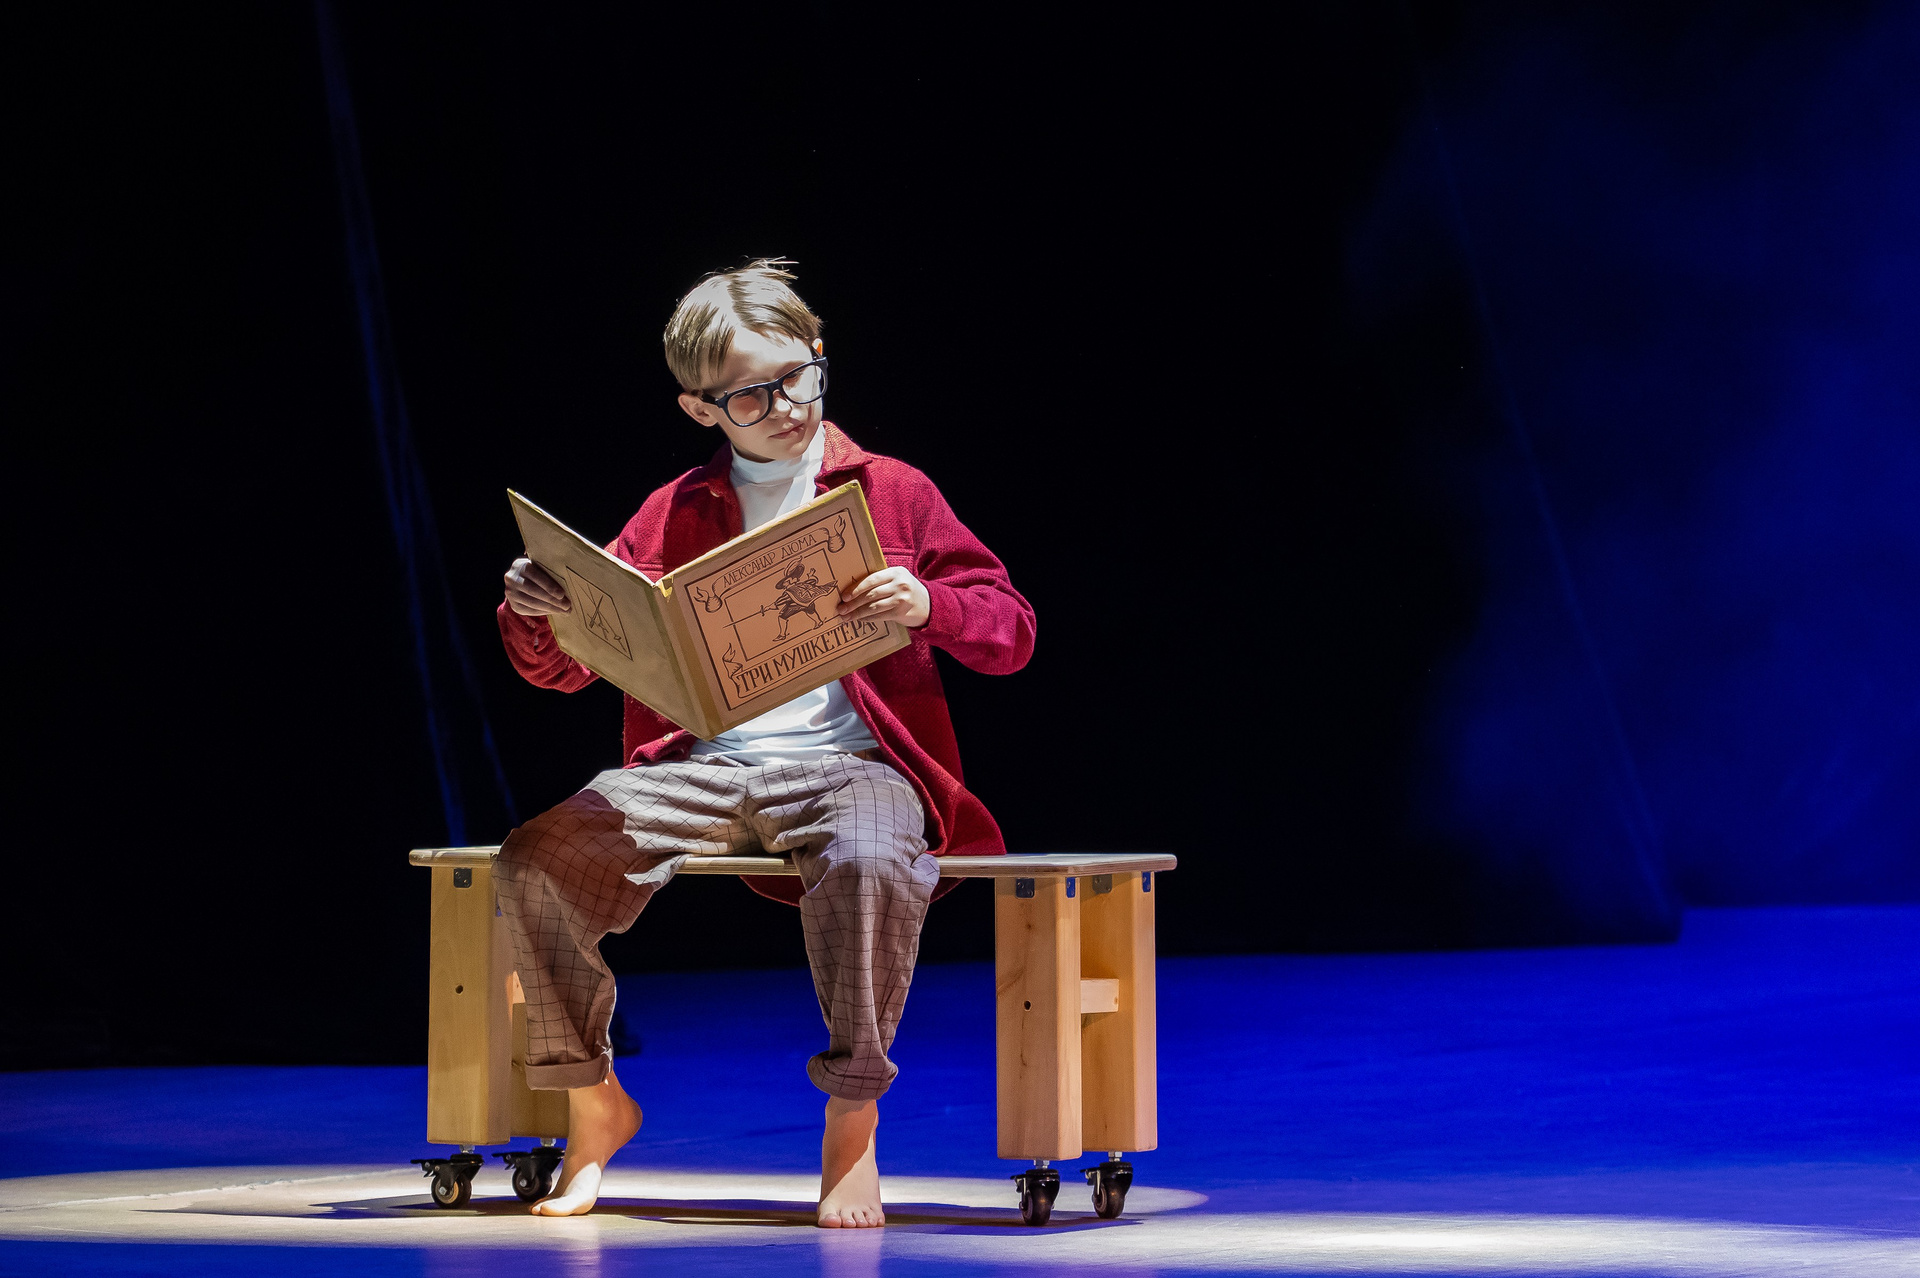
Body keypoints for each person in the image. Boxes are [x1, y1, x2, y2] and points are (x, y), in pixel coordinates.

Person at [494, 259, 1035, 1225]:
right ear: (700, 408)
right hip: (704, 769)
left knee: (870, 858)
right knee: (536, 860)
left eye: (800, 377)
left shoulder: (891, 490)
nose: (786, 407)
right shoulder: (674, 511)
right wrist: (539, 611)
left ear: (819, 356)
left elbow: (1012, 630)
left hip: (850, 766)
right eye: (751, 395)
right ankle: (593, 1104)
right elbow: (562, 672)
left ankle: (854, 1117)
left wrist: (930, 604)